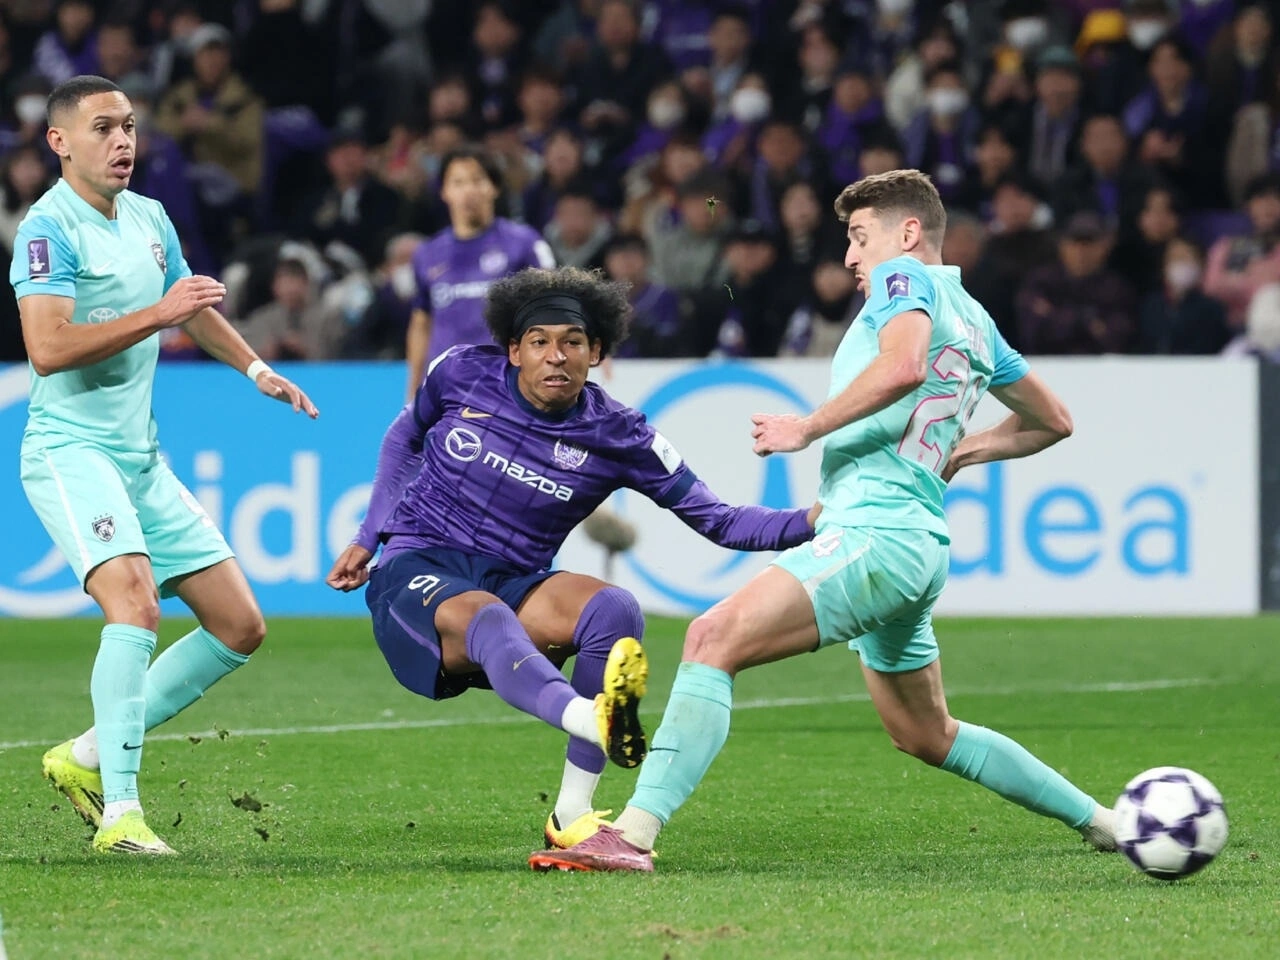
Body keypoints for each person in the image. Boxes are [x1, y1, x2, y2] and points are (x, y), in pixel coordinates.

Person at [531, 170, 1117, 873]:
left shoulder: (910, 281)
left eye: (858, 237)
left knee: (713, 638)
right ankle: (1106, 823)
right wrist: (962, 450)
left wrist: (806, 428)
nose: (850, 257)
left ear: (907, 235)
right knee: (927, 734)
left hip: (874, 535)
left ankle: (629, 835)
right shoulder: (977, 317)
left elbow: (902, 367)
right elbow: (1054, 421)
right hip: (916, 544)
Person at [326, 266, 818, 849]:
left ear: (597, 352)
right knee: (488, 615)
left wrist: (816, 521)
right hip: (418, 569)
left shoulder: (619, 434)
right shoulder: (460, 372)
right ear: (514, 350)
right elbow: (404, 437)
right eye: (539, 342)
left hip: (515, 580)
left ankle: (570, 814)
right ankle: (592, 718)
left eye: (573, 343)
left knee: (615, 610)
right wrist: (368, 534)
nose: (555, 356)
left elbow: (721, 520)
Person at [14, 75, 317, 856]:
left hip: (139, 458)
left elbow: (195, 306)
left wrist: (255, 370)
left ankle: (83, 756)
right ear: (60, 142)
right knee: (136, 605)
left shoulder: (148, 217)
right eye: (104, 128)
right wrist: (158, 314)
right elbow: (46, 349)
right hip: (71, 449)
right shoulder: (49, 229)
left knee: (240, 624)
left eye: (130, 127)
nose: (123, 142)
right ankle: (120, 814)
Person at [404, 145, 555, 400]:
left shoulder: (524, 244)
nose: (469, 191)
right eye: (458, 182)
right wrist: (413, 391)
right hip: (447, 393)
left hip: (508, 389)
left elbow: (552, 309)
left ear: (493, 187)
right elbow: (421, 324)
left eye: (477, 180)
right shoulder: (427, 254)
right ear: (444, 191)